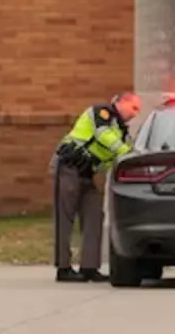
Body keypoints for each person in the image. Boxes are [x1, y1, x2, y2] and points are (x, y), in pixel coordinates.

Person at [51, 92, 141, 282]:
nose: (135, 113)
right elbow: (103, 135)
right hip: (69, 167)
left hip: (87, 173)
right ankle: (63, 268)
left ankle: (89, 267)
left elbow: (116, 157)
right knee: (65, 218)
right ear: (121, 102)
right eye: (133, 107)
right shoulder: (102, 112)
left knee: (94, 216)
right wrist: (127, 152)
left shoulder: (122, 132)